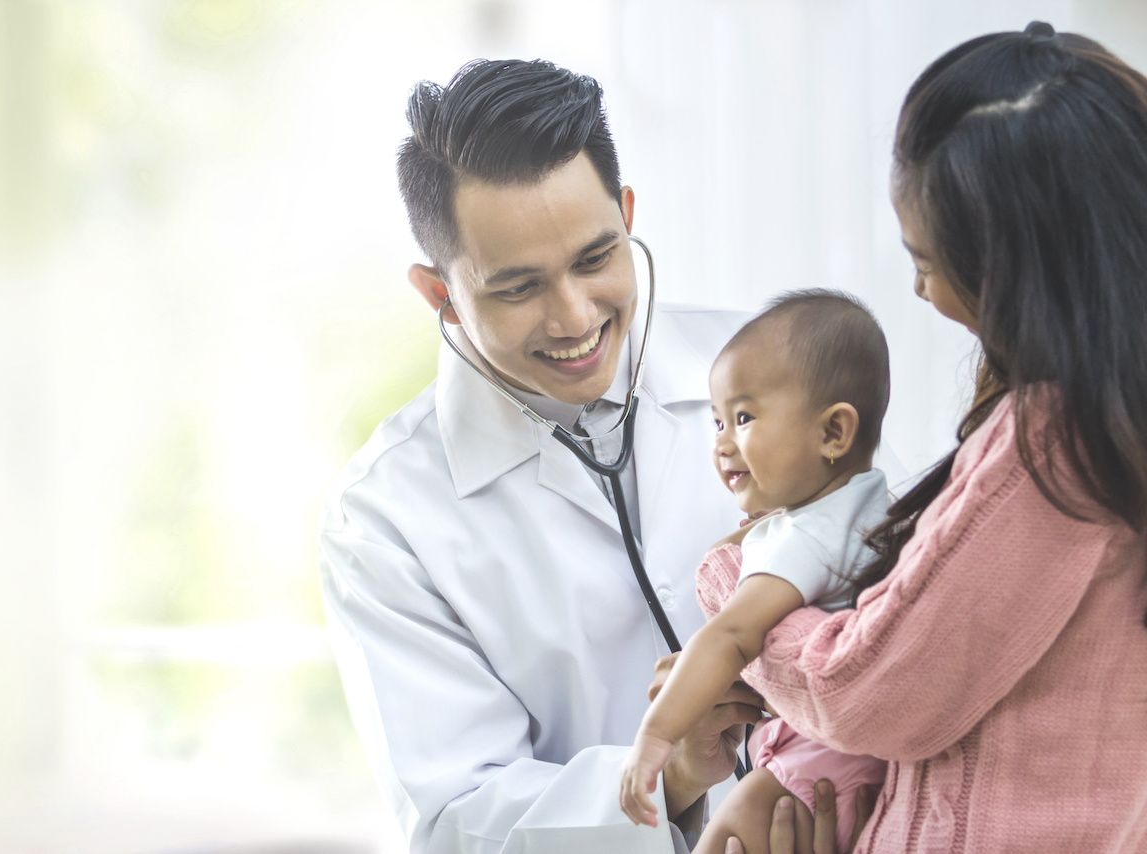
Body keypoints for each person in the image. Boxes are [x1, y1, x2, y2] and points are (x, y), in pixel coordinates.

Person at [320, 59, 865, 853]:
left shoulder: (776, 369)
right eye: (518, 288)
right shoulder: (385, 518)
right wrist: (670, 775)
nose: (574, 317)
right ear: (439, 295)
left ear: (628, 217)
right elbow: (457, 820)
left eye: (594, 260)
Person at [689, 23, 1147, 852]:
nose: (919, 286)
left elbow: (873, 690)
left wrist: (736, 586)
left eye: (929, 260)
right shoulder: (1119, 426)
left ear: (1017, 268)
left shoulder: (1056, 442)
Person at [620, 291, 889, 854]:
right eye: (717, 420)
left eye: (742, 418)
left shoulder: (804, 535)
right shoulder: (874, 501)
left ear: (834, 433)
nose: (720, 443)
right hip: (860, 762)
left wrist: (655, 738)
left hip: (817, 767)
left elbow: (731, 635)